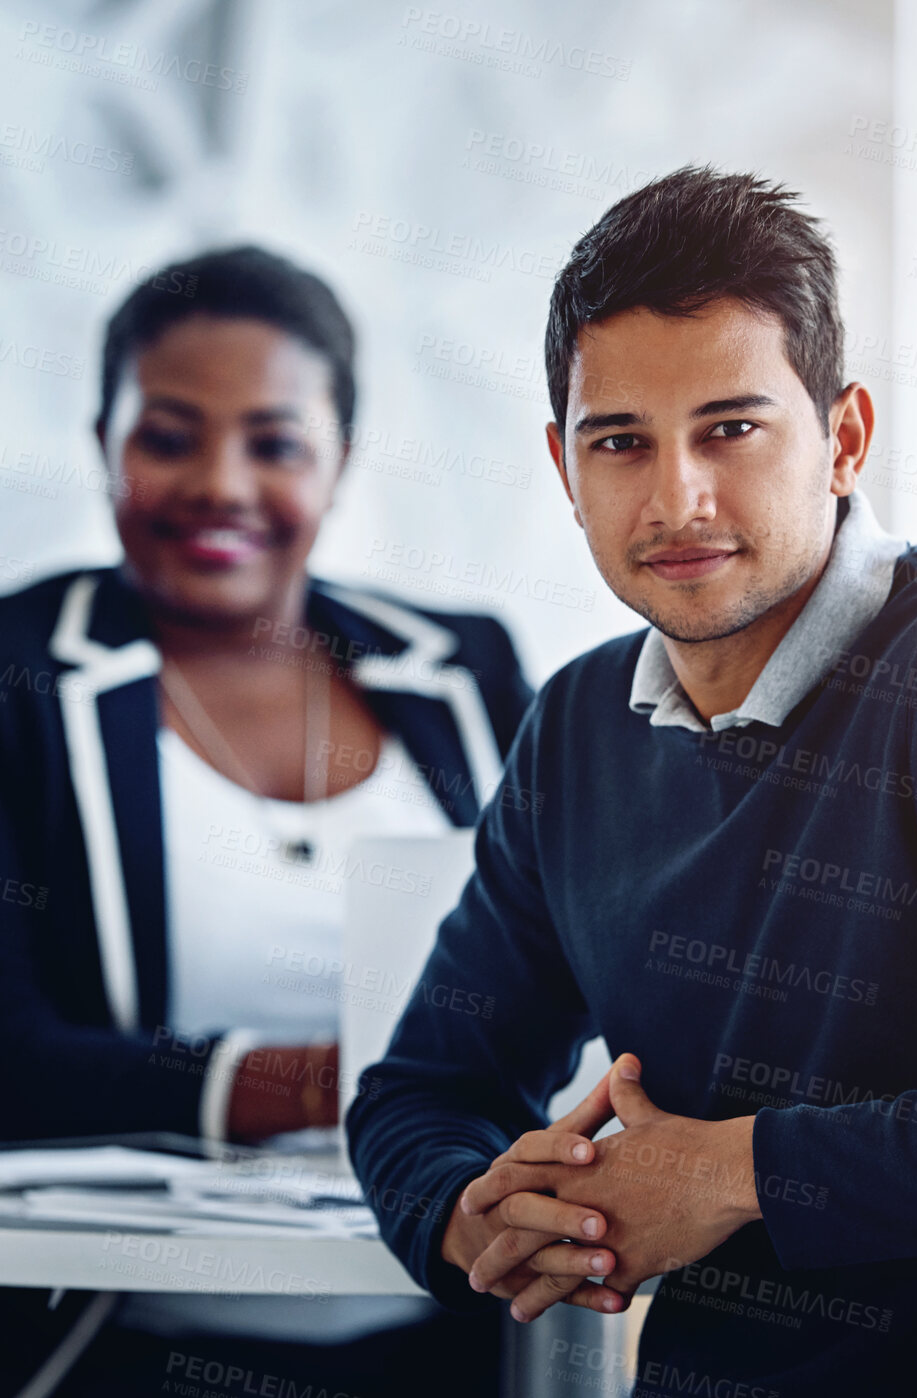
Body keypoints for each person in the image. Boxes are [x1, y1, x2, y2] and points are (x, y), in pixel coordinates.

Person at [347, 167, 917, 1398]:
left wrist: (735, 1171)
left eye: (729, 429)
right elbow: (426, 1085)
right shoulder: (576, 729)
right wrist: (473, 1217)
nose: (676, 496)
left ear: (841, 439)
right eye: (620, 442)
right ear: (565, 469)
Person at [0, 245, 530, 1395]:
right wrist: (317, 1084)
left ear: (339, 462)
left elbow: (576, 970)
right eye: (170, 435)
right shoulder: (21, 679)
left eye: (275, 443)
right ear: (104, 443)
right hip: (125, 1353)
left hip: (448, 1344)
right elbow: (11, 1053)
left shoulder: (468, 670)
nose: (221, 485)